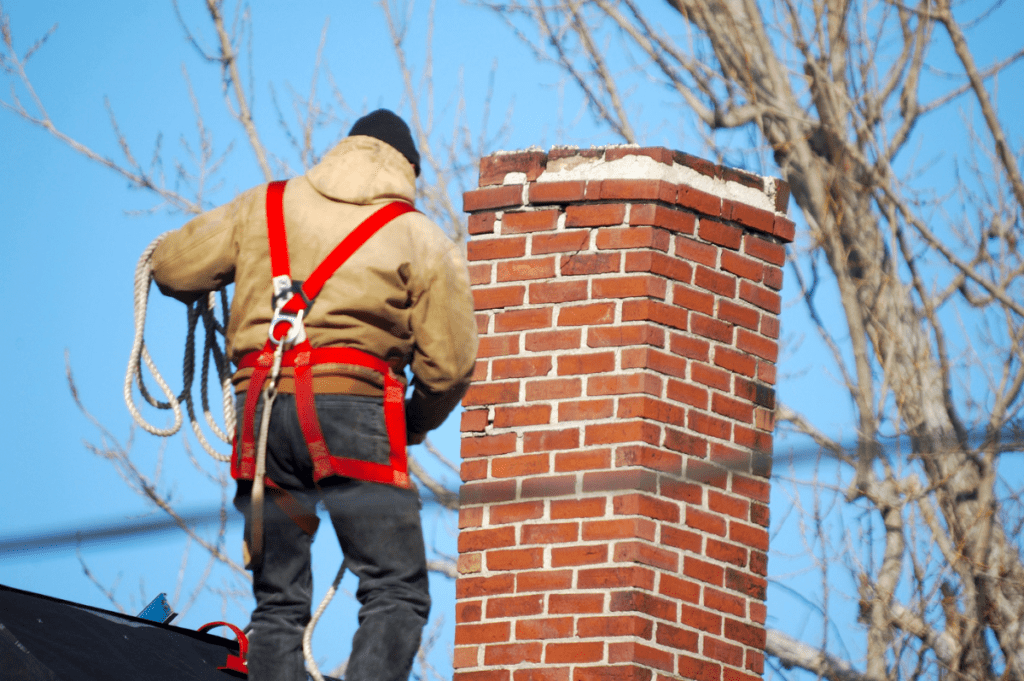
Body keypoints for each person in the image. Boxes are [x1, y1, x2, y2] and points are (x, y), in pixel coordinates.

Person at [150, 109, 478, 681]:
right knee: (395, 589)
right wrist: (414, 422)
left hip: (263, 413)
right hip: (353, 413)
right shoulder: (418, 235)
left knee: (277, 603)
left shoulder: (264, 205)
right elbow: (449, 367)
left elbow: (173, 268)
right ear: (407, 171)